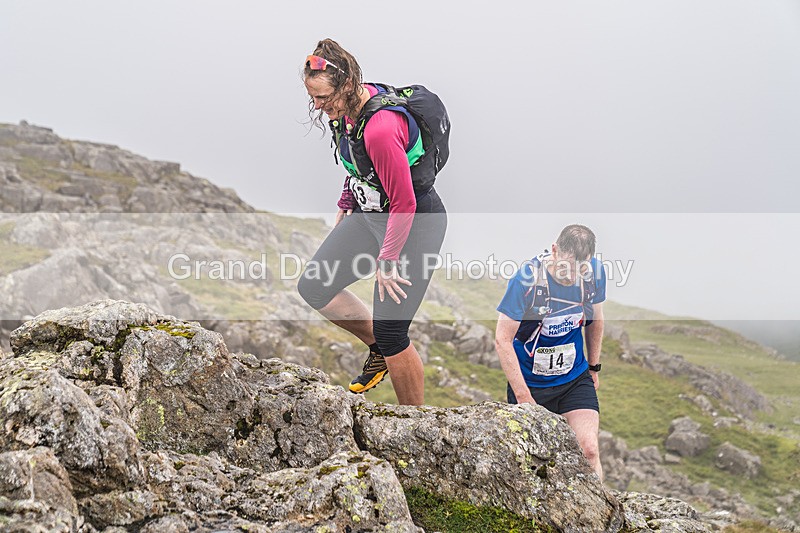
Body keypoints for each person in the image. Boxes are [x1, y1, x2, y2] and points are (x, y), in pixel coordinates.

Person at [297, 38, 448, 405]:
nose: (318, 106)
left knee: (393, 330)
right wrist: (348, 200)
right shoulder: (347, 110)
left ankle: (415, 425)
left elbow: (405, 201)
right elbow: (358, 162)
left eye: (323, 98)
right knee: (314, 287)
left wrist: (388, 259)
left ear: (347, 85)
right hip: (371, 215)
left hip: (414, 223)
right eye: (312, 98)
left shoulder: (381, 128)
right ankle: (378, 351)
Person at [495, 224, 606, 479]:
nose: (571, 277)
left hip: (574, 379)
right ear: (555, 251)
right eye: (567, 268)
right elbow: (502, 339)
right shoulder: (525, 280)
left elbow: (595, 320)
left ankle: (596, 516)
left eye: (580, 269)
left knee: (589, 451)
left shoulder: (594, 275)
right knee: (531, 466)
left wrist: (594, 367)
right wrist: (524, 398)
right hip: (530, 386)